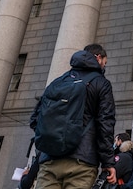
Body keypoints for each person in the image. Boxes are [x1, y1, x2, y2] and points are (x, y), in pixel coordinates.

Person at [36, 44, 116, 189]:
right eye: (105, 62)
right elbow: (105, 124)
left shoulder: (58, 82)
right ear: (98, 58)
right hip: (82, 162)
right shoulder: (101, 83)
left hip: (49, 161)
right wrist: (108, 162)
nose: (104, 66)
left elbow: (36, 119)